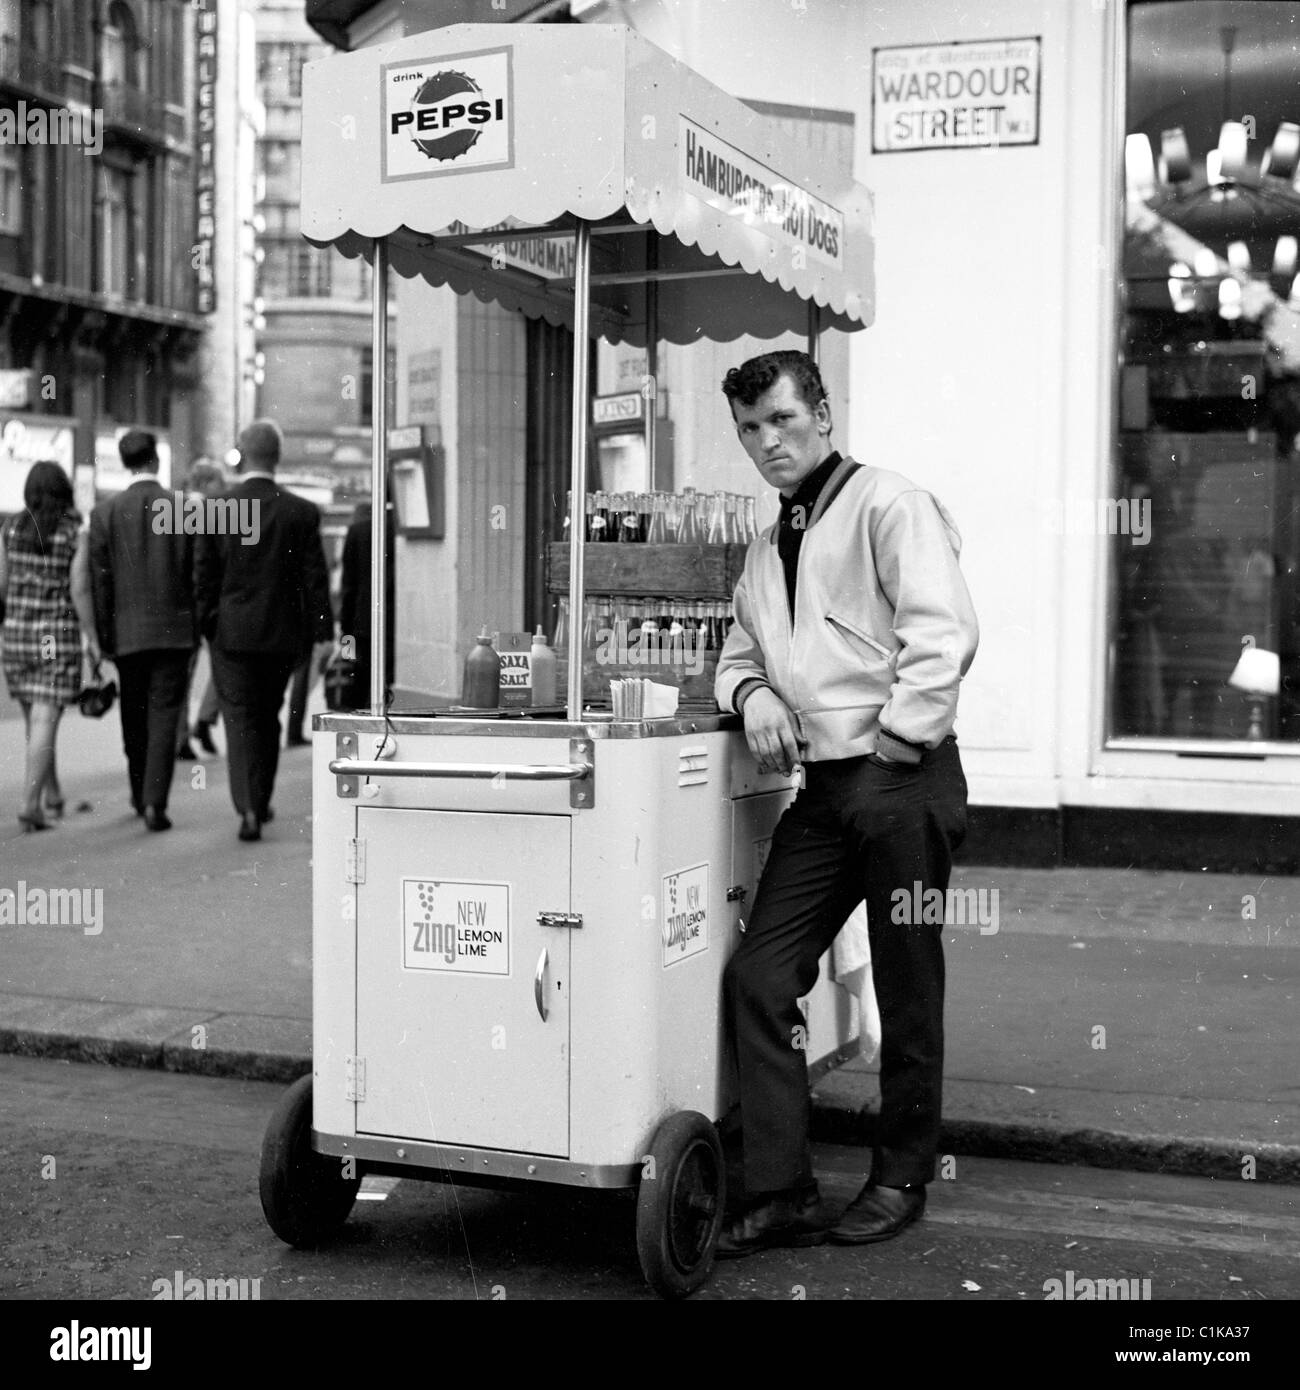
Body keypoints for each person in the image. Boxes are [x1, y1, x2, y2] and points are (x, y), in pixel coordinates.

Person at [712, 350, 978, 1257]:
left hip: (901, 780)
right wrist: (752, 698)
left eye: (782, 420)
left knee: (908, 989)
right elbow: (740, 652)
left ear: (822, 414)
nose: (767, 442)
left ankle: (901, 1176)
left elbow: (942, 633)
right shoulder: (764, 544)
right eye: (750, 429)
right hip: (825, 793)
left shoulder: (887, 503)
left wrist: (898, 746)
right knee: (759, 975)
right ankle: (780, 1187)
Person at [195, 419, 332, 842]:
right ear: (278, 456)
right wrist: (321, 629)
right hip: (280, 635)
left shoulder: (217, 508)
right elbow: (315, 577)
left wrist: (209, 626)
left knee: (238, 720)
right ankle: (261, 798)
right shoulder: (301, 512)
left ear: (242, 453)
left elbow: (204, 576)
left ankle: (248, 808)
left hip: (231, 636)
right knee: (269, 717)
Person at [81, 430, 197, 832]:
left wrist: (103, 637)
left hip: (126, 633)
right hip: (174, 632)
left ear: (125, 463)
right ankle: (154, 802)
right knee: (165, 716)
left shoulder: (104, 513)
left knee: (135, 715)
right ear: (156, 461)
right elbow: (194, 574)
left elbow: (100, 580)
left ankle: (137, 792)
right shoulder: (183, 508)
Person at [0, 461, 94, 830]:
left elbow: (2, 587)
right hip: (51, 639)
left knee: (36, 719)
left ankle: (52, 795)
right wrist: (93, 639)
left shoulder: (10, 529)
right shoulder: (73, 533)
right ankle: (30, 804)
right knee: (44, 718)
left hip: (16, 636)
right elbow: (80, 588)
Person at [174, 458, 228, 758]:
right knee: (218, 666)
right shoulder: (206, 512)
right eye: (221, 484)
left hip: (184, 605)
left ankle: (188, 731)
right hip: (203, 605)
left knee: (185, 673)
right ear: (207, 484)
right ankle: (193, 729)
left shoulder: (175, 509)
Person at [338, 498, 395, 706]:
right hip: (398, 629)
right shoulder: (402, 531)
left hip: (362, 626)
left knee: (360, 682)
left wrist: (345, 638)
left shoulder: (358, 531)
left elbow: (348, 588)